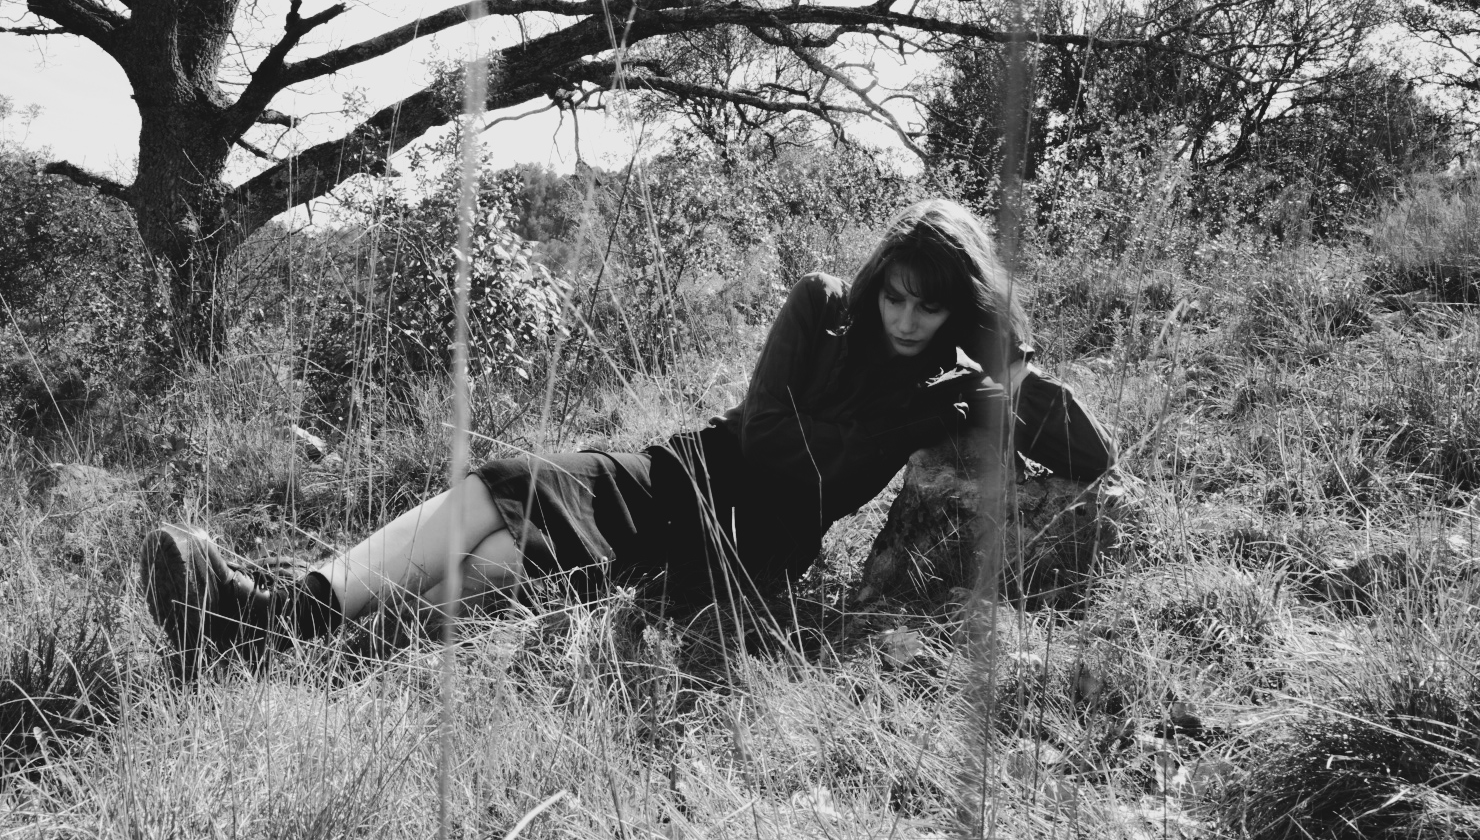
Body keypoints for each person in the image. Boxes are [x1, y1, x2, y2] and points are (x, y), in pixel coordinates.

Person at [141, 198, 1115, 671]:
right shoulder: (822, 307)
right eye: (895, 295)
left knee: (504, 564)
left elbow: (1090, 456)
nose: (905, 318)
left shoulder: (955, 387)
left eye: (929, 306)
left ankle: (272, 634)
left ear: (957, 309)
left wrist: (1009, 365)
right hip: (691, 470)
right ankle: (275, 612)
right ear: (876, 283)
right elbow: (765, 439)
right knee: (507, 482)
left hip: (756, 547)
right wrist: (893, 418)